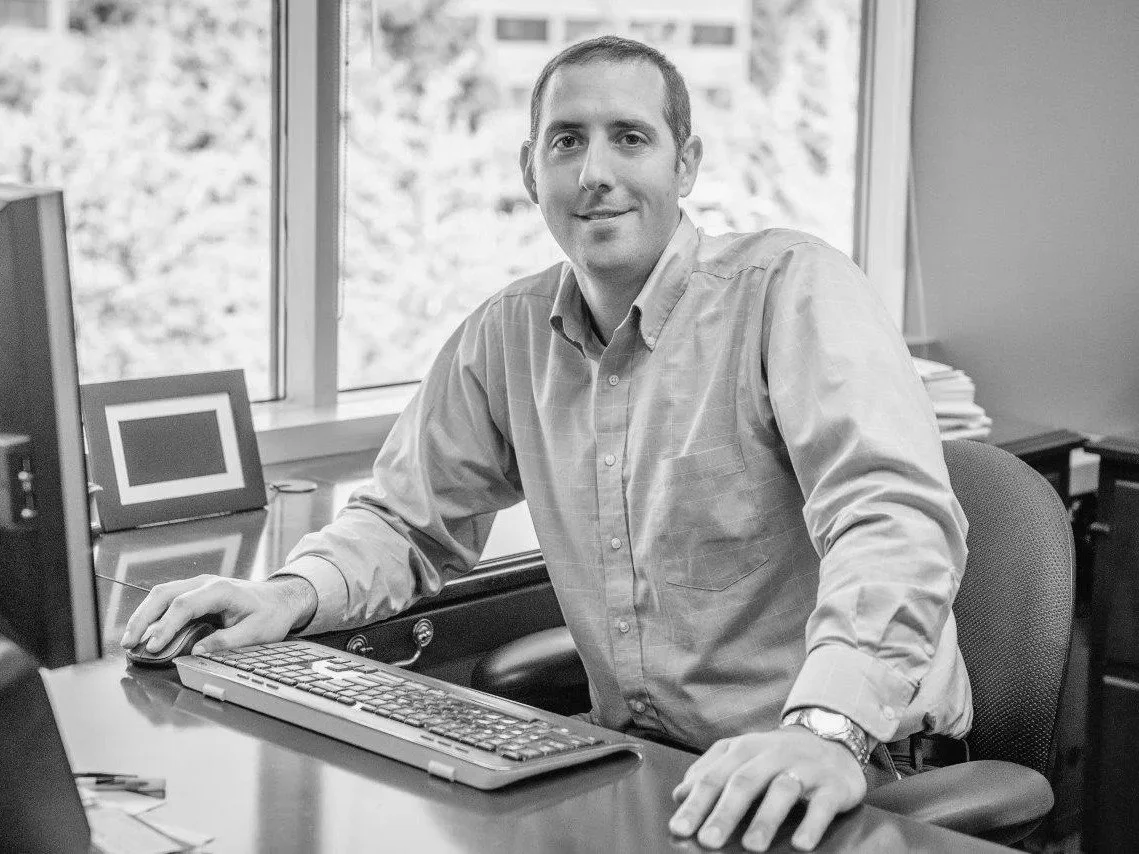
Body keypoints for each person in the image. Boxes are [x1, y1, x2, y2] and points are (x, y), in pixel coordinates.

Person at [122, 36, 971, 852]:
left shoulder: (789, 289)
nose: (594, 172)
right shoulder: (507, 335)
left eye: (629, 138)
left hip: (840, 761)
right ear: (531, 174)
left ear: (686, 164)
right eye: (566, 141)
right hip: (648, 764)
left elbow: (890, 518)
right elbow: (405, 521)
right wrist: (286, 595)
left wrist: (824, 728)